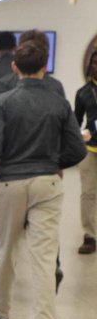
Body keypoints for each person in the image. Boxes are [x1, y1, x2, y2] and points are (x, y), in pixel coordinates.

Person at [0, 39, 87, 319]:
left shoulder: (3, 101)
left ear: (15, 67)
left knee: (6, 248)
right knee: (42, 259)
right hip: (48, 182)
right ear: (45, 67)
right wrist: (56, 164)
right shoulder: (58, 103)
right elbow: (77, 149)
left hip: (10, 181)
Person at [76, 47, 97, 254]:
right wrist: (80, 134)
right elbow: (75, 122)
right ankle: (89, 235)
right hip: (90, 150)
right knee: (88, 193)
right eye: (94, 63)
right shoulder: (83, 93)